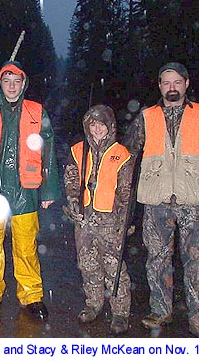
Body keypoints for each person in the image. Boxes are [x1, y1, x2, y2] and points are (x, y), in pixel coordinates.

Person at [123, 62, 199, 337]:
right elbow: (128, 151)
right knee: (157, 259)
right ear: (159, 86)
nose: (171, 87)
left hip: (194, 202)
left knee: (198, 260)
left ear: (186, 84)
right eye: (166, 82)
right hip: (156, 201)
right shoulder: (146, 116)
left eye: (177, 82)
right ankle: (160, 310)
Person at [0, 60, 61, 321]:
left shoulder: (36, 112)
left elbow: (48, 151)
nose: (11, 86)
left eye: (16, 81)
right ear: (1, 84)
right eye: (6, 81)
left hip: (25, 190)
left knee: (26, 246)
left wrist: (49, 191)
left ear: (23, 84)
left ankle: (32, 295)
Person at [63, 104, 135, 335]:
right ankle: (93, 304)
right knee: (88, 264)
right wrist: (73, 199)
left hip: (110, 221)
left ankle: (120, 312)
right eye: (92, 124)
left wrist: (123, 222)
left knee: (114, 268)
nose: (97, 128)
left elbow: (127, 192)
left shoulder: (122, 154)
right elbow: (72, 179)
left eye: (101, 123)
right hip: (84, 219)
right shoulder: (78, 150)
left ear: (110, 126)